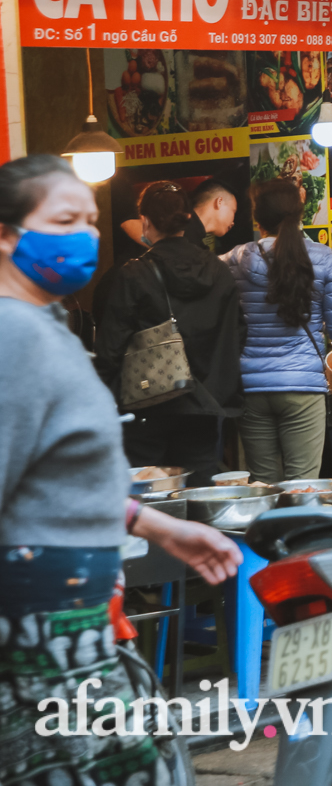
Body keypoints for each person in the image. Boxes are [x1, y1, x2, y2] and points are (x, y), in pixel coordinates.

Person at [0, 155, 241, 786]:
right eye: (62, 219)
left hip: (81, 628)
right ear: (6, 234)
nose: (85, 234)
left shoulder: (43, 324)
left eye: (88, 219)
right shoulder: (12, 336)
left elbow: (52, 482)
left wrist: (158, 528)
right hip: (39, 640)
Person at [92, 180, 246, 487]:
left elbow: (111, 346)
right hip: (205, 405)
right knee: (199, 491)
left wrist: (101, 395)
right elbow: (236, 335)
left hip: (146, 405)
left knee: (148, 492)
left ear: (145, 222)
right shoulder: (220, 272)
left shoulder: (134, 273)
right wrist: (215, 395)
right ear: (187, 219)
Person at [223, 179, 332, 482]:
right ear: (301, 214)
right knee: (302, 487)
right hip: (303, 388)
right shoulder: (322, 258)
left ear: (256, 219)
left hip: (251, 389)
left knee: (263, 486)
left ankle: (269, 531)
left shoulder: (235, 260)